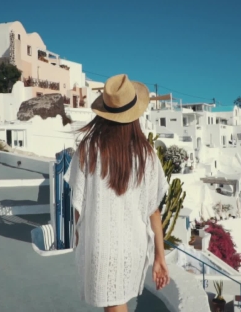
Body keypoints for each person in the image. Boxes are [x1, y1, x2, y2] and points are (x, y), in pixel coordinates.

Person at [64, 74, 170, 312]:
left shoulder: (88, 150)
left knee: (113, 306)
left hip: (99, 246)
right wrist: (159, 256)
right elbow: (153, 210)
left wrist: (82, 240)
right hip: (132, 247)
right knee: (115, 304)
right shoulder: (147, 155)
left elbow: (78, 204)